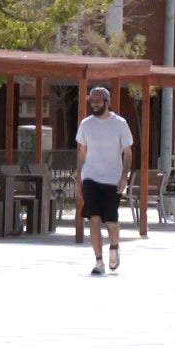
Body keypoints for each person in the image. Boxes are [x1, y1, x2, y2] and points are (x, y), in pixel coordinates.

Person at [75, 86, 133, 276]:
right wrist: (79, 178)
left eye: (98, 100)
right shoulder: (86, 124)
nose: (95, 103)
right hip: (90, 177)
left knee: (111, 221)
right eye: (92, 100)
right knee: (93, 218)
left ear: (107, 102)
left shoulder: (120, 124)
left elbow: (127, 152)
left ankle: (114, 247)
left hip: (111, 179)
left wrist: (124, 176)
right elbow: (82, 152)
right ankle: (98, 261)